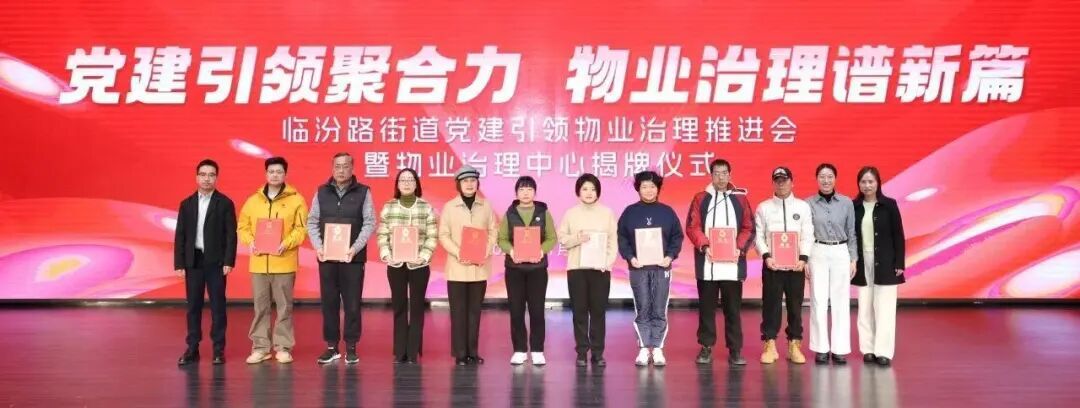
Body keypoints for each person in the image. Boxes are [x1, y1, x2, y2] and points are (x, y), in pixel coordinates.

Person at [237, 156, 308, 365]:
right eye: (271, 171)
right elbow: (243, 226)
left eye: (279, 171)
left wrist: (286, 243)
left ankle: (283, 347)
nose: (275, 175)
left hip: (284, 261)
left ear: (285, 174)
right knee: (261, 307)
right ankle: (260, 348)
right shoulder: (253, 200)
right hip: (259, 263)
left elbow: (301, 229)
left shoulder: (296, 200)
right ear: (265, 174)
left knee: (284, 307)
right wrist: (250, 241)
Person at [306, 153, 376, 365]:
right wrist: (319, 247)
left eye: (345, 166)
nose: (341, 170)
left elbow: (370, 223)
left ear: (352, 168)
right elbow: (312, 221)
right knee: (329, 303)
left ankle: (351, 347)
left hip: (352, 259)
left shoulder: (363, 192)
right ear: (332, 168)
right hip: (327, 258)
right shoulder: (321, 192)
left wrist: (354, 248)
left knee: (352, 304)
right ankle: (331, 347)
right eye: (337, 166)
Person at [685, 159, 754, 366]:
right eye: (716, 173)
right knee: (706, 309)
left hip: (732, 266)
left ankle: (735, 350)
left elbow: (749, 227)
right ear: (711, 175)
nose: (721, 177)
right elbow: (692, 226)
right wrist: (705, 246)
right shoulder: (701, 198)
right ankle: (706, 347)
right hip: (708, 265)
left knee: (733, 310)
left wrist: (738, 247)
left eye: (724, 173)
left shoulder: (740, 199)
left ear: (730, 175)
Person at [617, 171, 684, 367]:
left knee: (659, 308)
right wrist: (630, 257)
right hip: (638, 268)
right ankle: (644, 348)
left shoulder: (667, 212)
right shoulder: (629, 212)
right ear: (638, 189)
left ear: (658, 189)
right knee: (643, 307)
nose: (648, 190)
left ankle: (658, 348)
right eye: (644, 186)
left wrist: (669, 256)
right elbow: (622, 238)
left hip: (661, 267)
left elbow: (677, 237)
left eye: (652, 186)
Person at [174, 159, 237, 366]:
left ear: (216, 178)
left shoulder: (225, 203)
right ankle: (192, 348)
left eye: (211, 175)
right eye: (203, 174)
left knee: (218, 307)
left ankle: (218, 349)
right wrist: (179, 263)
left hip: (216, 262)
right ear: (196, 177)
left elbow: (231, 235)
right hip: (193, 261)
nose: (207, 178)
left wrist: (229, 260)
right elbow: (180, 235)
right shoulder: (186, 204)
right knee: (193, 306)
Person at [376, 168, 438, 364]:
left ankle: (412, 352)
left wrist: (423, 256)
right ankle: (400, 351)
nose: (406, 183)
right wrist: (386, 254)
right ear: (397, 184)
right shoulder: (389, 207)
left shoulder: (426, 207)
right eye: (402, 180)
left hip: (419, 265)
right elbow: (382, 235)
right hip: (396, 265)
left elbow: (432, 236)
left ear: (416, 184)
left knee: (417, 308)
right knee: (399, 307)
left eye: (410, 179)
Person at [438, 165, 498, 366]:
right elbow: (443, 235)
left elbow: (493, 231)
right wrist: (458, 252)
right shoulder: (449, 207)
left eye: (473, 180)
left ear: (477, 183)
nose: (470, 184)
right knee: (458, 313)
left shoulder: (486, 206)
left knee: (475, 312)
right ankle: (460, 353)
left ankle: (473, 351)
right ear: (459, 184)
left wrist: (486, 250)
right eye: (465, 181)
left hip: (479, 268)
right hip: (457, 268)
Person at [754, 166, 814, 365]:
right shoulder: (763, 207)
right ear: (773, 183)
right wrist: (766, 256)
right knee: (771, 306)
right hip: (772, 266)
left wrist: (803, 258)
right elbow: (758, 236)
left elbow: (808, 234)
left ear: (792, 182)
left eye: (784, 180)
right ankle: (769, 344)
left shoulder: (802, 207)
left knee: (795, 306)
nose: (781, 184)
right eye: (777, 180)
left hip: (796, 266)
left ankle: (794, 344)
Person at [558, 173, 618, 367]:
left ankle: (598, 353)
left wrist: (607, 263)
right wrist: (577, 238)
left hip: (600, 270)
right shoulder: (571, 213)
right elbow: (562, 238)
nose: (589, 192)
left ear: (598, 192)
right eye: (585, 189)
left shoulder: (607, 213)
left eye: (593, 189)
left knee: (598, 312)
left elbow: (613, 242)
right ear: (578, 192)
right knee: (579, 311)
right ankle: (582, 352)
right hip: (577, 269)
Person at [497, 176, 558, 366]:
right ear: (516, 193)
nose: (525, 193)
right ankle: (520, 350)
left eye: (529, 189)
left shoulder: (543, 212)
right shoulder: (509, 213)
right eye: (522, 189)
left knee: (537, 310)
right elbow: (502, 239)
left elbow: (552, 238)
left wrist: (541, 251)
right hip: (514, 269)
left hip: (537, 269)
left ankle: (538, 350)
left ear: (535, 192)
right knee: (516, 310)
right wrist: (511, 251)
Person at [852, 166, 906, 367]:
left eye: (871, 181)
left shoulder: (889, 205)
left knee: (885, 308)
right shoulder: (854, 206)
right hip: (862, 261)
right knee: (864, 307)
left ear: (878, 183)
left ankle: (883, 351)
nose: (867, 185)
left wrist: (899, 262)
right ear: (859, 184)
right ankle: (868, 349)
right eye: (863, 182)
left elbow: (898, 234)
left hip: (886, 261)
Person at [806, 163, 858, 365]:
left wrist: (853, 258)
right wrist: (805, 259)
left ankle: (840, 349)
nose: (826, 180)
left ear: (835, 179)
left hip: (840, 251)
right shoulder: (808, 203)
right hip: (817, 250)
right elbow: (806, 234)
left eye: (829, 177)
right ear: (816, 179)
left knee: (841, 301)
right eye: (822, 177)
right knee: (818, 300)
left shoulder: (846, 203)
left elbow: (851, 232)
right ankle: (820, 348)